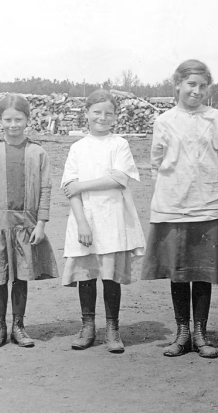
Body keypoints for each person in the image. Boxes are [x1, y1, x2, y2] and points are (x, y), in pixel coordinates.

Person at [141, 60, 218, 358]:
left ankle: (201, 333)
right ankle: (182, 333)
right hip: (173, 206)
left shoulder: (216, 118)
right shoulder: (164, 121)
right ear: (178, 85)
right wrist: (171, 193)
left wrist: (216, 192)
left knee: (202, 271)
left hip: (208, 206)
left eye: (202, 85)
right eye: (191, 84)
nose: (197, 90)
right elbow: (156, 163)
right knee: (179, 272)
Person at [61, 89, 146, 353]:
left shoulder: (118, 144)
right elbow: (70, 189)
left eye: (109, 113)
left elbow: (119, 178)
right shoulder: (78, 148)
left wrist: (83, 185)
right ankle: (88, 327)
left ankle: (112, 329)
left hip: (112, 218)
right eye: (96, 112)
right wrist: (82, 223)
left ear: (115, 116)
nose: (102, 117)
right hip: (85, 219)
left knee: (110, 277)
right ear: (86, 114)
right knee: (86, 276)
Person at [0, 94, 59, 348]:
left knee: (21, 277)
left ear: (27, 120)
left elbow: (45, 189)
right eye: (8, 119)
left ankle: (18, 327)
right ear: (0, 120)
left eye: (18, 119)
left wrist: (41, 223)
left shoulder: (37, 152)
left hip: (26, 226)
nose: (13, 124)